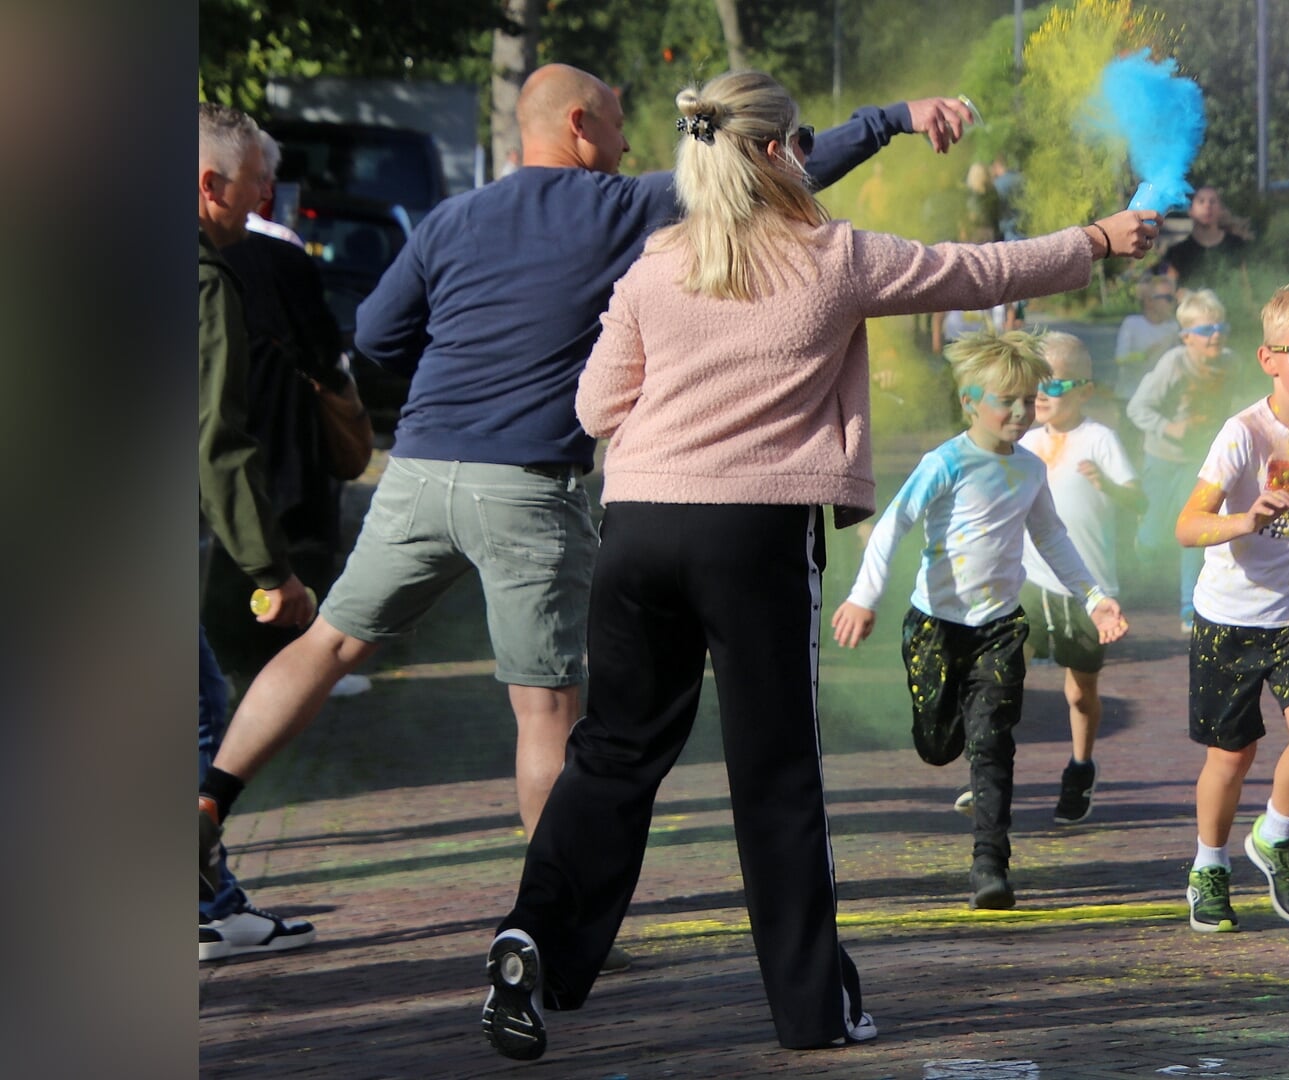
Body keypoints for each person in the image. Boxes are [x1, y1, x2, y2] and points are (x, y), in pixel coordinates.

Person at [481, 71, 1160, 1061]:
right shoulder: (833, 256)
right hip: (751, 536)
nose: (809, 155)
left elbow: (594, 410)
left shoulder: (657, 260)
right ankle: (811, 1011)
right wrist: (1097, 240)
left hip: (636, 533)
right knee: (775, 776)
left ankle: (531, 937)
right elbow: (979, 270)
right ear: (767, 154)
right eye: (798, 141)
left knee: (614, 754)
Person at [196, 64, 985, 911]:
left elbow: (380, 337)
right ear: (578, 126)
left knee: (331, 645)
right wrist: (892, 115)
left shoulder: (451, 218)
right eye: (615, 123)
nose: (630, 142)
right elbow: (773, 164)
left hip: (421, 472)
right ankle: (551, 924)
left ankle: (211, 799)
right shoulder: (627, 207)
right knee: (546, 709)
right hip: (529, 485)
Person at [832, 328, 1130, 912]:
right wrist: (863, 597)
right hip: (935, 625)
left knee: (993, 743)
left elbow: (1051, 536)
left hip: (998, 627)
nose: (1020, 412)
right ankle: (951, 744)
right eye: (1006, 400)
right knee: (939, 743)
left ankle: (990, 867)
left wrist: (1093, 596)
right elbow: (893, 526)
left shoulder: (1029, 469)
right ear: (970, 401)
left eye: (1028, 399)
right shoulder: (945, 462)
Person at [1171, 285, 1289, 933]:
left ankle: (1275, 836)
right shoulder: (1243, 433)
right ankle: (1209, 866)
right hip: (1227, 618)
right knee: (1232, 757)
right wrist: (1245, 518)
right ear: (1269, 359)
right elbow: (1188, 526)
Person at [196, 102, 319, 961]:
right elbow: (215, 441)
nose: (262, 201)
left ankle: (216, 902)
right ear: (209, 186)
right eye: (251, 188)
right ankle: (208, 907)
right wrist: (272, 569)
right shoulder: (201, 281)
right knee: (202, 719)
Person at [212, 131, 375, 685]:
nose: (265, 189)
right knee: (290, 556)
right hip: (282, 435)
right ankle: (288, 674)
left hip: (235, 437)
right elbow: (323, 350)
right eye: (260, 178)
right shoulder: (281, 253)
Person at [1017, 331, 1144, 824]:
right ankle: (990, 772)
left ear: (1085, 391)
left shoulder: (1100, 439)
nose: (1043, 394)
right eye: (1036, 383)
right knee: (1004, 676)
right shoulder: (1023, 440)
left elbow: (1141, 502)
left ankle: (1080, 765)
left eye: (1056, 384)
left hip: (1087, 587)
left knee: (1079, 690)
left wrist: (1108, 484)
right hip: (1027, 581)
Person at [1127, 288, 1237, 632]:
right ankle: (1142, 547)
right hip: (1163, 457)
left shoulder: (1232, 363)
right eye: (1206, 331)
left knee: (1195, 530)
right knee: (1155, 537)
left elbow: (1239, 405)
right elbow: (1137, 408)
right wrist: (1169, 427)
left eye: (1221, 327)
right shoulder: (1173, 364)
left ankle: (1190, 608)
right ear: (1186, 337)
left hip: (1201, 463)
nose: (1215, 335)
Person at [1162, 185, 1251, 303]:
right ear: (1190, 210)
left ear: (1220, 209)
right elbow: (1168, 291)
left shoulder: (1237, 245)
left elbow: (1246, 289)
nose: (1207, 206)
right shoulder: (1177, 252)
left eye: (1213, 201)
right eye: (1201, 201)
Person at [1112, 267, 1183, 408]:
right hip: (1130, 395)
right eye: (1168, 298)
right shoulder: (1132, 323)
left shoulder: (1174, 327)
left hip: (1161, 398)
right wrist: (1144, 355)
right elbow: (1120, 358)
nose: (1172, 303)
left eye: (1174, 298)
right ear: (1149, 301)